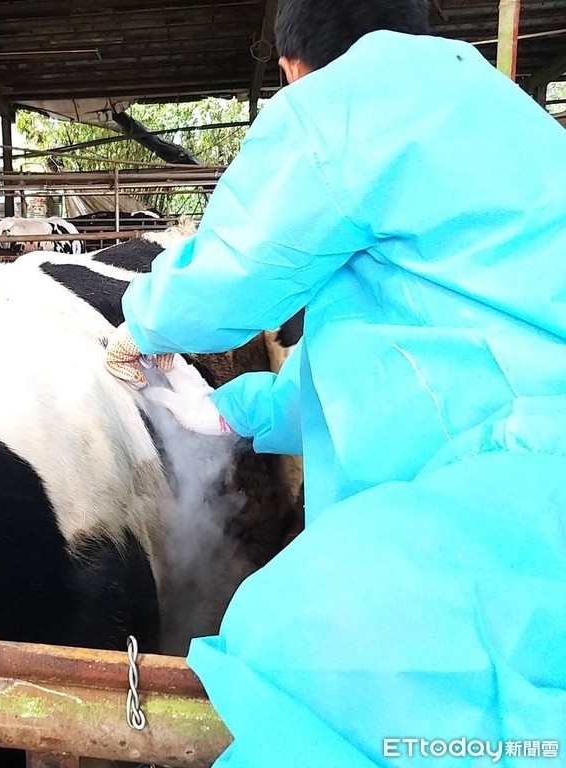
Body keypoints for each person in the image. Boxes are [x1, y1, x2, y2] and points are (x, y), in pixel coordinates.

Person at [104, 1, 566, 765]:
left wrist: (145, 322)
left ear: (293, 69)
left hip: (503, 487)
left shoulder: (346, 102)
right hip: (522, 459)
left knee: (313, 655)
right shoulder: (503, 107)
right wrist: (244, 410)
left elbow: (235, 270)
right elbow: (398, 350)